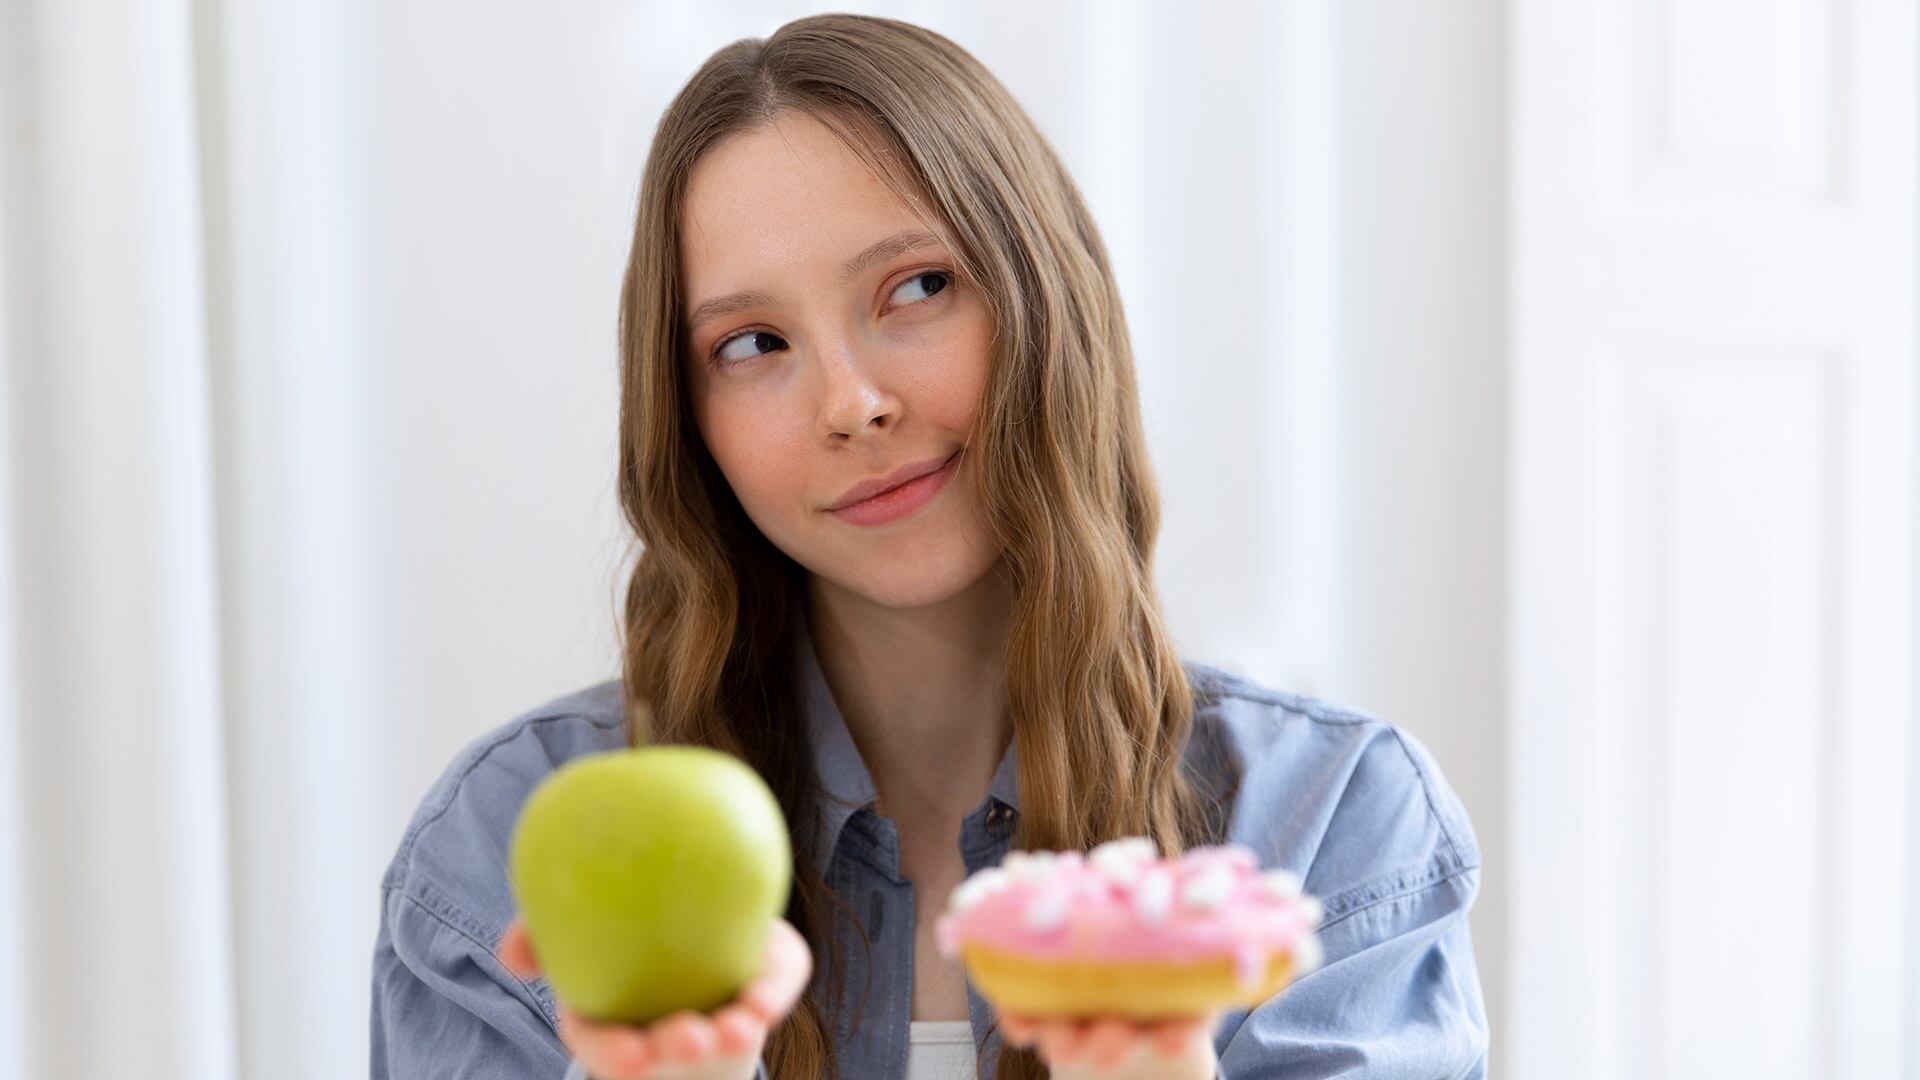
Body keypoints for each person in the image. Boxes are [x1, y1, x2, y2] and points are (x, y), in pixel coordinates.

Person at [370, 13, 1489, 1080]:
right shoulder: (496, 858)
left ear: (1047, 301)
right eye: (752, 344)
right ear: (687, 420)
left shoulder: (1330, 831)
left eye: (917, 288)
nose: (851, 403)